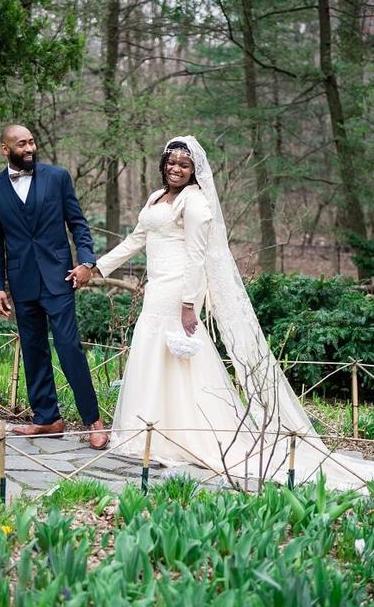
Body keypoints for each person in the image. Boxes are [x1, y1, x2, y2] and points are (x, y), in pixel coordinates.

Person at [94, 135, 374, 490]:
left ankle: (183, 432)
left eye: (184, 164)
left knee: (179, 360)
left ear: (194, 170)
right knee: (151, 355)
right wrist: (98, 267)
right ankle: (149, 428)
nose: (176, 169)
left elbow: (197, 257)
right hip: (156, 290)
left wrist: (189, 304)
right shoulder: (155, 198)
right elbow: (136, 239)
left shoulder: (195, 204)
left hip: (179, 290)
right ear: (163, 164)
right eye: (171, 162)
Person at [0, 124, 108, 449]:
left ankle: (93, 419)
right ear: (5, 149)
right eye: (21, 144)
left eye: (32, 142)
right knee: (34, 349)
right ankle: (47, 418)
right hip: (22, 283)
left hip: (59, 278)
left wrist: (87, 262)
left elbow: (78, 223)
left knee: (68, 348)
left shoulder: (57, 177)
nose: (29, 149)